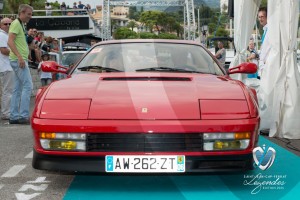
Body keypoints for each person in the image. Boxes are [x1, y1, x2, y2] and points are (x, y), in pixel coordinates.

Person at [7, 4, 33, 125]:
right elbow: (10, 41)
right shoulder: (16, 24)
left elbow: (17, 41)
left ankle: (14, 116)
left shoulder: (20, 24)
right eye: (29, 14)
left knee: (17, 89)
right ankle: (23, 115)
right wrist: (19, 57)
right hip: (18, 60)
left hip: (19, 59)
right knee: (28, 86)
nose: (30, 16)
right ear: (22, 12)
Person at [0, 18, 14, 120]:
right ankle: (6, 113)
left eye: (10, 23)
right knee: (7, 91)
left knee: (7, 91)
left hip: (6, 66)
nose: (8, 25)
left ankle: (6, 112)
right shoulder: (2, 35)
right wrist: (16, 51)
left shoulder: (5, 35)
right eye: (6, 23)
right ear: (1, 25)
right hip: (6, 67)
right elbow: (4, 50)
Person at [258, 7, 270, 78]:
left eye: (262, 17)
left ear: (266, 17)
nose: (260, 19)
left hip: (267, 66)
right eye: (259, 17)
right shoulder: (265, 30)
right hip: (263, 66)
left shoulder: (270, 30)